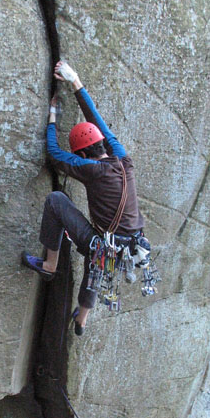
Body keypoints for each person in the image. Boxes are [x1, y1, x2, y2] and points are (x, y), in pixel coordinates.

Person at [21, 60, 145, 334]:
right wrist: (75, 81)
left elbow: (54, 153)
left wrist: (53, 116)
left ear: (82, 155)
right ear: (102, 142)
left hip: (106, 244)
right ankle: (82, 319)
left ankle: (49, 265)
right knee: (98, 260)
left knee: (56, 201)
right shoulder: (123, 157)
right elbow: (96, 120)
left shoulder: (91, 169)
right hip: (132, 244)